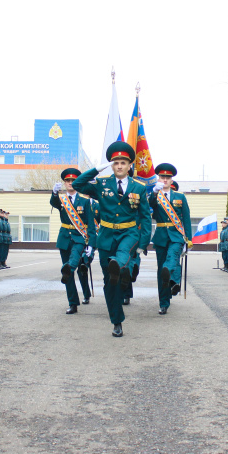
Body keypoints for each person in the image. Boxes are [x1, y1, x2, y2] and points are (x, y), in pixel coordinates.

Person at [72, 142, 151, 337]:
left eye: (123, 162)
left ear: (129, 165)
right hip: (106, 236)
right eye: (116, 163)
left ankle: (121, 266)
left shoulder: (139, 187)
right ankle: (116, 320)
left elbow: (146, 217)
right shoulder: (102, 184)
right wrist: (97, 169)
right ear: (112, 165)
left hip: (129, 233)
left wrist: (142, 244)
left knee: (123, 254)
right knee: (109, 283)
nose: (120, 166)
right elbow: (77, 184)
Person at [51, 168, 98, 314]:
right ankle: (73, 303)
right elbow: (54, 203)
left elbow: (91, 224)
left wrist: (91, 245)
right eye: (67, 181)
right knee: (68, 273)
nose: (70, 183)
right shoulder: (61, 200)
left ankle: (83, 289)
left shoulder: (85, 201)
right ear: (64, 183)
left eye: (73, 181)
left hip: (80, 238)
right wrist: (54, 193)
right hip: (65, 238)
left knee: (74, 265)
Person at [149, 163, 192, 315]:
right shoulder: (155, 195)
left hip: (176, 236)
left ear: (171, 179)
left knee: (171, 259)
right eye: (162, 177)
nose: (165, 180)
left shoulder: (180, 197)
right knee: (162, 270)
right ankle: (163, 302)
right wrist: (154, 194)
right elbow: (150, 207)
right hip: (161, 236)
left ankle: (172, 279)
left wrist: (188, 239)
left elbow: (186, 218)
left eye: (167, 177)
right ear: (158, 178)